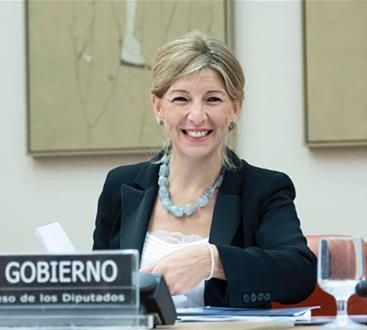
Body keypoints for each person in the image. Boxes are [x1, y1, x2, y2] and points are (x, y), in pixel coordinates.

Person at [92, 32, 316, 308]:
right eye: (181, 99)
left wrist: (212, 260)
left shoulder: (263, 189)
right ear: (158, 106)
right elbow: (102, 290)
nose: (197, 116)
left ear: (235, 108)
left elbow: (299, 273)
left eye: (212, 99)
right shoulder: (121, 185)